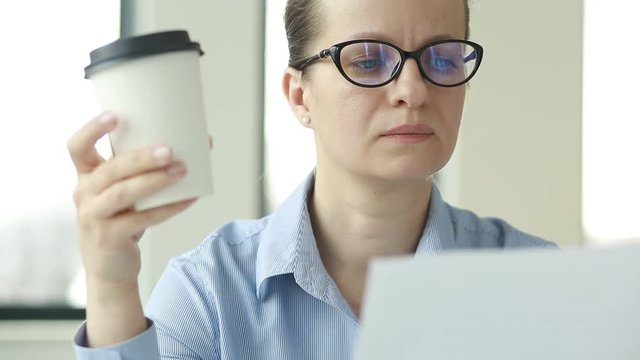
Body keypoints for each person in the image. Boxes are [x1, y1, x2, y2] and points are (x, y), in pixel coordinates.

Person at [70, 0, 556, 358]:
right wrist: (111, 286)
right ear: (300, 97)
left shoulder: (540, 282)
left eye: (443, 59)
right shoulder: (210, 291)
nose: (413, 90)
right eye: (368, 60)